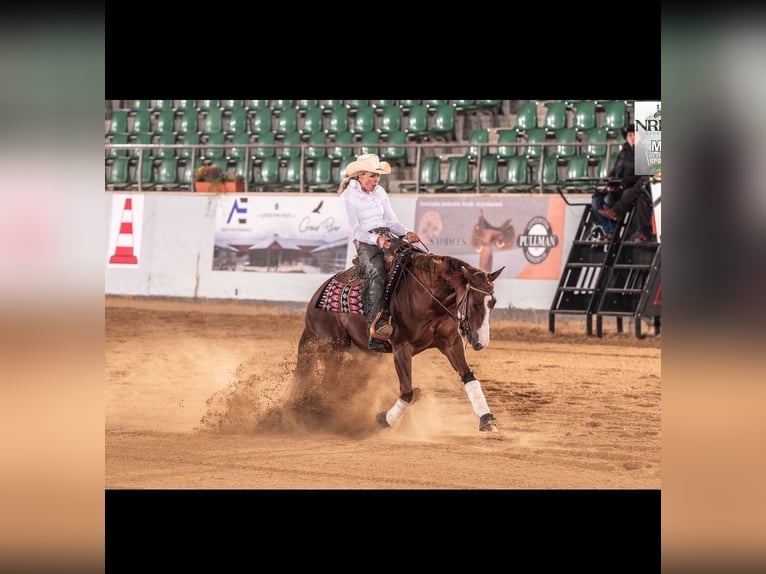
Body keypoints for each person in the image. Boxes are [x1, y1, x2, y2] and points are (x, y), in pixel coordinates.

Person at [339, 153, 421, 351]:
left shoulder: (380, 192)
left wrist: (406, 232)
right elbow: (355, 230)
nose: (375, 180)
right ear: (359, 176)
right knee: (377, 272)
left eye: (377, 176)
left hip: (387, 237)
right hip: (365, 241)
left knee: (415, 260)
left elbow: (391, 222)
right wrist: (376, 239)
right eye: (371, 176)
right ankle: (373, 330)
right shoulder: (348, 196)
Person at [597, 124, 654, 242]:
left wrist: (623, 183)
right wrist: (610, 180)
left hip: (632, 186)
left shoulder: (644, 153)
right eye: (630, 135)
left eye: (635, 135)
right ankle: (609, 230)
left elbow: (642, 174)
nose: (632, 137)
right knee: (596, 199)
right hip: (620, 185)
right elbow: (615, 169)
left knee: (615, 199)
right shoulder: (622, 152)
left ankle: (615, 223)